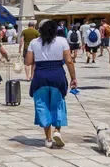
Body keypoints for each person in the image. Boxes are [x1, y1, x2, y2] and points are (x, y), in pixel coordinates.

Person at [26, 20, 77, 149]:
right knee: (58, 104)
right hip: (57, 76)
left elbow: (28, 62)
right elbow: (69, 61)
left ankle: (48, 138)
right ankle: (57, 131)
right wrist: (73, 78)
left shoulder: (34, 43)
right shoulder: (62, 41)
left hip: (40, 77)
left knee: (42, 106)